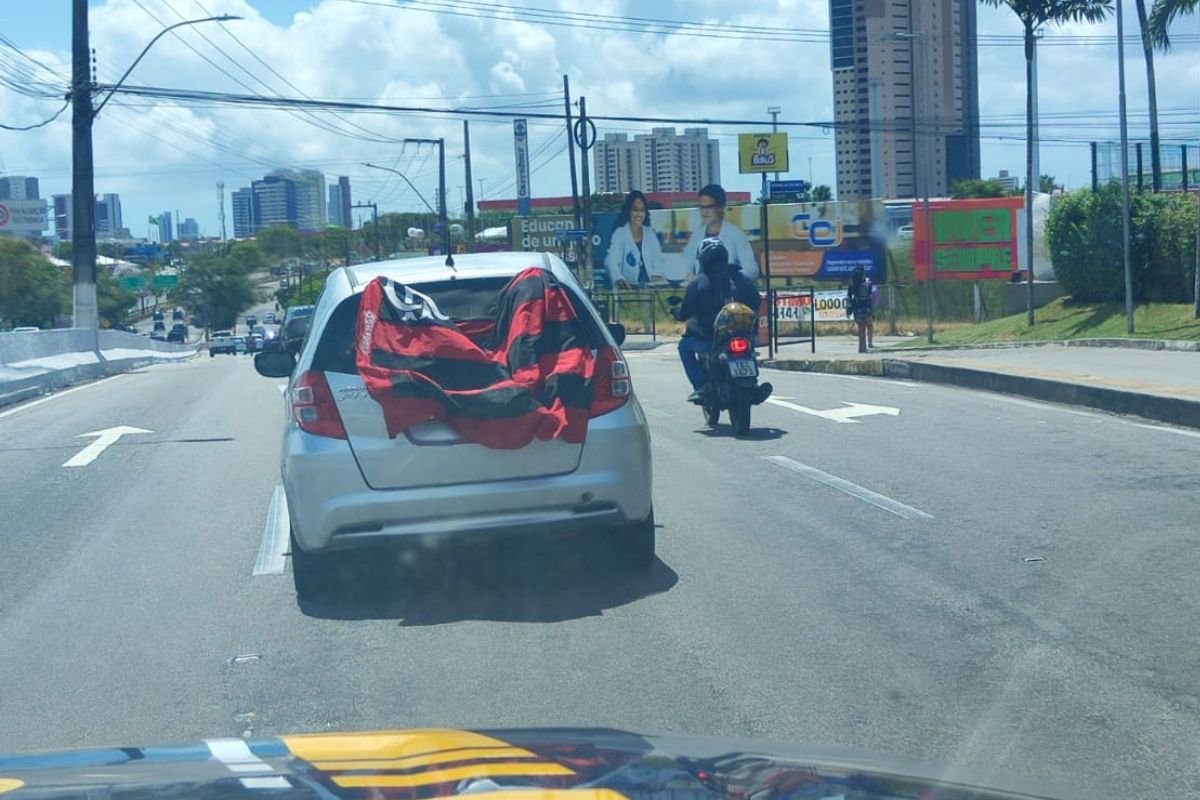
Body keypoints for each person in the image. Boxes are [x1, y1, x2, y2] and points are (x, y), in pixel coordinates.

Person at [673, 237, 760, 403]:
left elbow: (685, 313)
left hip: (710, 340)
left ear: (703, 259)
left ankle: (701, 385)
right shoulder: (741, 278)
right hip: (744, 336)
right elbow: (756, 302)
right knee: (749, 349)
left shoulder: (698, 283)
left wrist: (677, 312)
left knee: (684, 346)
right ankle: (754, 384)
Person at [681, 184, 759, 280]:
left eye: (709, 207)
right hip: (702, 287)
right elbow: (686, 263)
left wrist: (732, 279)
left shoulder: (736, 235)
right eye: (702, 207)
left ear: (721, 207)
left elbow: (751, 269)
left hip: (728, 287)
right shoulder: (697, 236)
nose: (705, 212)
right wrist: (688, 275)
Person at [604, 190, 664, 287]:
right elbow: (610, 260)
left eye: (642, 210)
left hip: (651, 290)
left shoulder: (650, 233)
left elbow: (658, 260)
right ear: (629, 211)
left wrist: (657, 274)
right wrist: (619, 278)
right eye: (635, 210)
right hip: (628, 290)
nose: (639, 214)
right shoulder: (620, 234)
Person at [845, 266, 874, 353]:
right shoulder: (867, 285)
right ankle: (864, 347)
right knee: (866, 326)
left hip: (857, 307)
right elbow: (870, 297)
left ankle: (861, 347)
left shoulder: (852, 286)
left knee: (861, 328)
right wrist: (871, 309)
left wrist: (849, 310)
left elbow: (849, 298)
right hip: (865, 307)